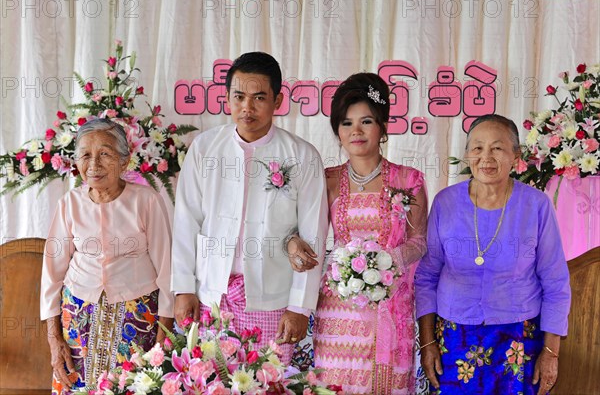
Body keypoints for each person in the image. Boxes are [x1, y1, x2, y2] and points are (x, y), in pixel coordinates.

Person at [171, 52, 328, 364]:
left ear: (277, 101)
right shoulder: (205, 148)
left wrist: (298, 307)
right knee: (210, 383)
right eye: (239, 96)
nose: (247, 107)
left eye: (259, 98)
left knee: (269, 384)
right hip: (212, 295)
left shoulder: (302, 155)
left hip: (272, 299)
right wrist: (183, 289)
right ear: (227, 98)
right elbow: (187, 221)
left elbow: (314, 235)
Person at [288, 72, 428, 394]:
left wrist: (386, 262)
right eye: (347, 123)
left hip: (391, 308)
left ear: (382, 126)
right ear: (337, 130)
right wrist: (292, 242)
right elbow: (298, 230)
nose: (356, 131)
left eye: (366, 121)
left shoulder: (409, 180)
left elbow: (419, 242)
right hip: (338, 312)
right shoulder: (326, 180)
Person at [415, 114, 571, 395]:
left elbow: (556, 283)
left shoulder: (536, 205)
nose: (486, 157)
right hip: (454, 338)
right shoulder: (445, 202)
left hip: (519, 339)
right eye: (477, 148)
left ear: (516, 155)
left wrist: (551, 353)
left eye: (497, 148)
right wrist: (427, 344)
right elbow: (426, 277)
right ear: (466, 155)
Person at [40, 119, 174, 394]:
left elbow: (168, 271)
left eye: (105, 154)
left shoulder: (146, 200)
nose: (94, 164)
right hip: (77, 316)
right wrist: (54, 340)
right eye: (85, 155)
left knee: (134, 386)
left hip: (137, 316)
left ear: (124, 161)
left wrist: (163, 343)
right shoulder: (69, 203)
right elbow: (52, 276)